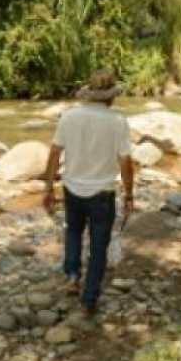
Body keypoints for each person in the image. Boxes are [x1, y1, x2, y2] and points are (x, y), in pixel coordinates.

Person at [43, 69, 134, 316]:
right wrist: (129, 194)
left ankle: (73, 276)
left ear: (89, 94)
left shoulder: (69, 117)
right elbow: (125, 162)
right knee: (98, 246)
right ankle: (89, 299)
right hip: (102, 193)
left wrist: (48, 187)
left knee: (72, 230)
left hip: (72, 189)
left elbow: (54, 152)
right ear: (111, 96)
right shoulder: (117, 120)